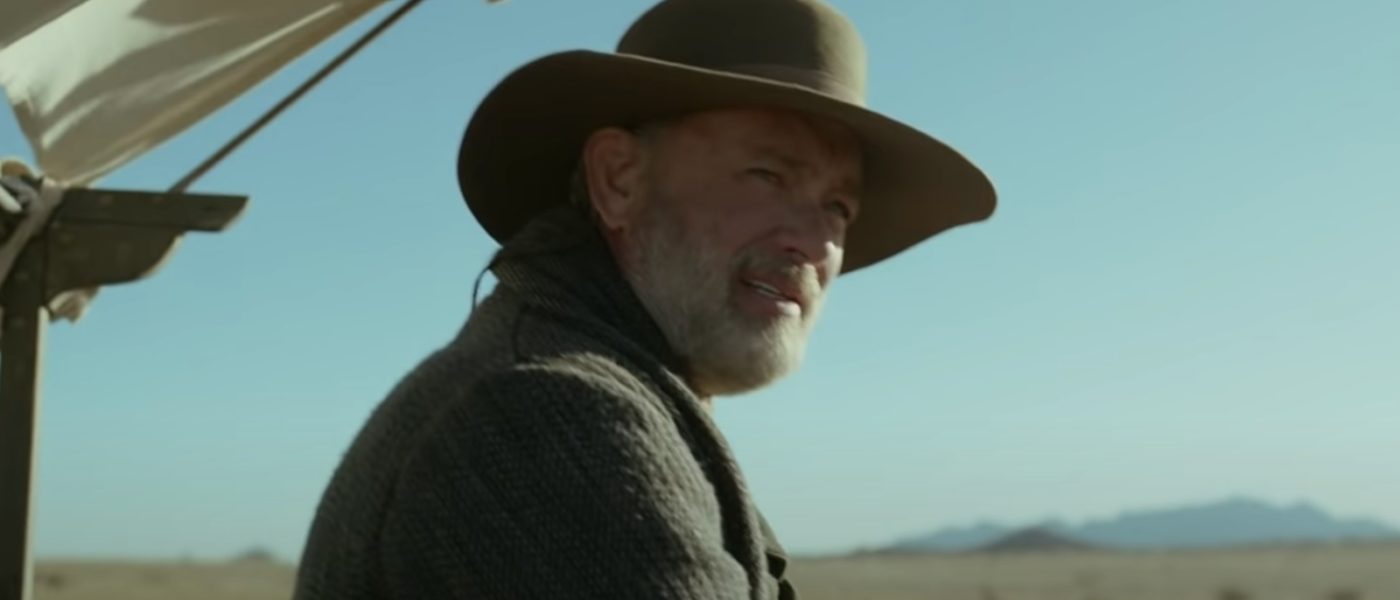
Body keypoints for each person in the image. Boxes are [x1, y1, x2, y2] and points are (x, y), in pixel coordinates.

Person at [293, 0, 995, 598]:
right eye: (767, 175)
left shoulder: (570, 379)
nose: (812, 242)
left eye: (839, 207)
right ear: (619, 179)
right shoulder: (548, 412)